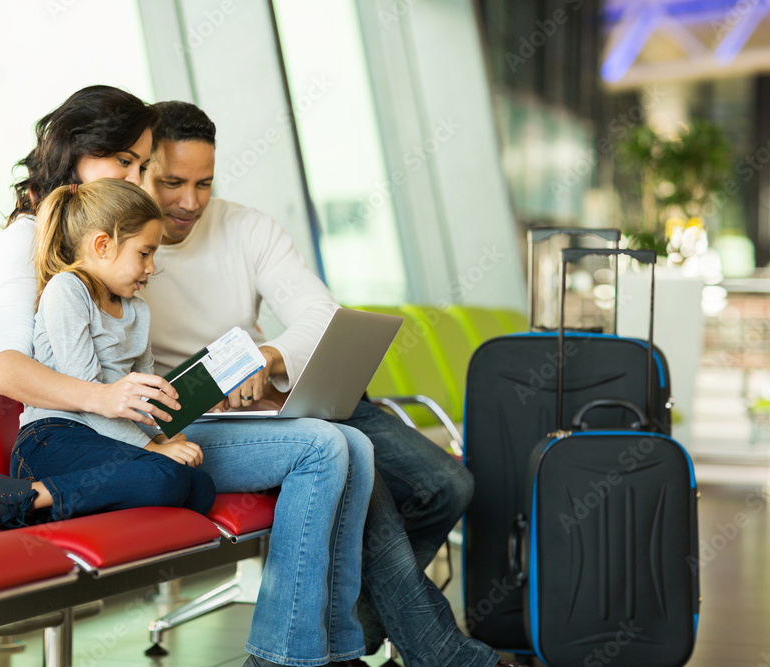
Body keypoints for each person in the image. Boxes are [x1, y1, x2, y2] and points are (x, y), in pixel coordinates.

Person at [0, 85, 375, 667]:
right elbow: (6, 370)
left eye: (144, 167)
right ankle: (286, 656)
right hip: (85, 428)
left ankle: (337, 653)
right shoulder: (31, 242)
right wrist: (116, 402)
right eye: (126, 163)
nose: (141, 181)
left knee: (356, 446)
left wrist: (234, 379)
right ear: (76, 154)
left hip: (154, 417)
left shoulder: (125, 261)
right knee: (323, 447)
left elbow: (140, 363)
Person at [141, 101, 523, 667]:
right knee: (353, 470)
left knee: (446, 486)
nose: (190, 202)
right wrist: (219, 381)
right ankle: (439, 653)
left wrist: (268, 357)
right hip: (210, 415)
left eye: (203, 182)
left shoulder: (245, 226)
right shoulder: (125, 245)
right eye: (172, 182)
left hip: (286, 391)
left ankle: (352, 625)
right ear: (141, 169)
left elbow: (320, 312)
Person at [0, 178, 216, 532]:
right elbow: (91, 399)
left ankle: (38, 509)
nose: (150, 268)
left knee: (200, 486)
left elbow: (146, 401)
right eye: (144, 253)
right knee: (164, 474)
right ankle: (18, 495)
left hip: (106, 440)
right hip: (53, 438)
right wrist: (153, 450)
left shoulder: (138, 311)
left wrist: (164, 439)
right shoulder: (67, 291)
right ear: (103, 245)